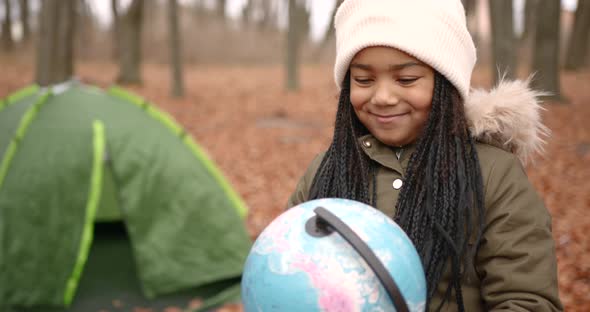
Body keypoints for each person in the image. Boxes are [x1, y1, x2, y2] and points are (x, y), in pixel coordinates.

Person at [286, 0, 563, 311]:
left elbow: (527, 300)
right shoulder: (327, 171)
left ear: (445, 83)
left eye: (406, 79)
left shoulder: (493, 175)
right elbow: (287, 272)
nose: (383, 97)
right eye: (363, 79)